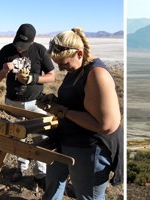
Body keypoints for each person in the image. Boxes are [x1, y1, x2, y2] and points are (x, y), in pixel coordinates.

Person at [38, 27, 123, 200]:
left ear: (79, 53)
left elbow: (106, 125)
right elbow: (78, 102)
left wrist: (63, 111)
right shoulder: (77, 69)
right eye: (58, 64)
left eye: (64, 63)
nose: (61, 68)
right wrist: (55, 102)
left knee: (87, 196)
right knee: (53, 182)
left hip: (90, 148)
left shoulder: (97, 74)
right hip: (67, 140)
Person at [0, 23, 56, 188]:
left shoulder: (40, 50)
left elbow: (52, 76)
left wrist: (33, 79)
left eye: (24, 46)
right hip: (13, 104)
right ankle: (20, 168)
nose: (20, 49)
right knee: (17, 138)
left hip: (35, 104)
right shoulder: (6, 50)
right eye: (18, 45)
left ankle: (40, 174)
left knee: (41, 139)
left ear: (32, 42)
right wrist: (4, 71)